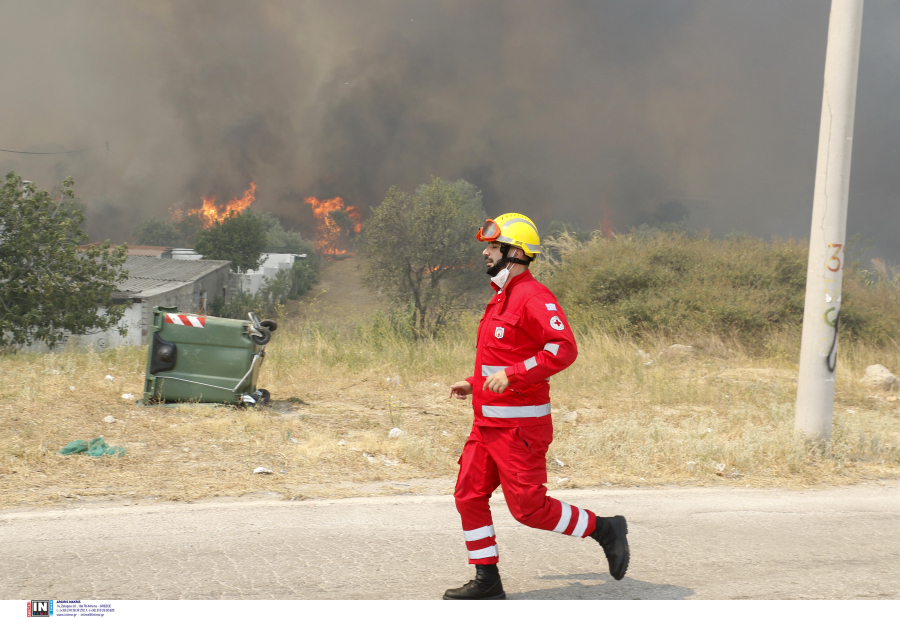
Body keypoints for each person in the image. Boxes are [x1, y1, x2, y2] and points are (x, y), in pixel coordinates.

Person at [443, 213, 629, 600]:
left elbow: (563, 349)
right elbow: (502, 357)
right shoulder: (501, 297)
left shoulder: (534, 297)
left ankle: (605, 529)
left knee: (528, 509)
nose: (485, 252)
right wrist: (474, 383)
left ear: (514, 252)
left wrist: (514, 375)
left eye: (493, 247)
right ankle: (487, 580)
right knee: (468, 496)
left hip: (518, 430)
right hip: (487, 424)